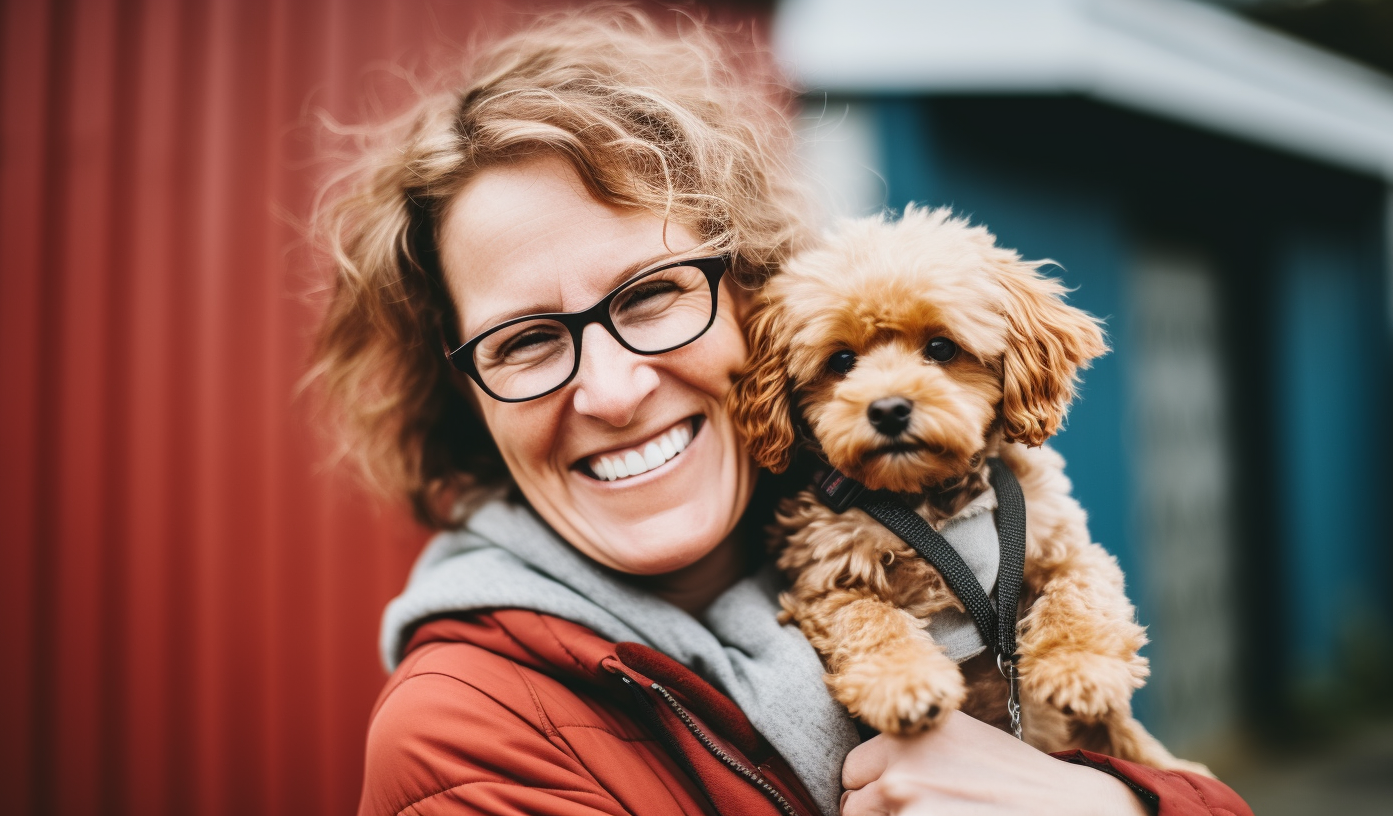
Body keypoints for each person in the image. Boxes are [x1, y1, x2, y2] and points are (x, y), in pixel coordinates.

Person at [311, 8, 1252, 816]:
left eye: (649, 295)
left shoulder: (922, 514)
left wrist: (1119, 801)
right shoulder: (466, 736)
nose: (612, 389)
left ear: (754, 301)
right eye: (524, 341)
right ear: (465, 395)